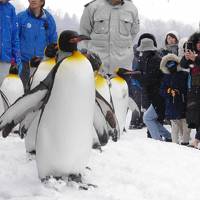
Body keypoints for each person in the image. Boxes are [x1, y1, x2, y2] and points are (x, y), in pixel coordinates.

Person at [79, 0, 140, 75]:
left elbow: (134, 32)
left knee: (122, 87)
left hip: (122, 69)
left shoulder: (132, 9)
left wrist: (120, 45)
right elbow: (84, 33)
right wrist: (94, 51)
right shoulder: (92, 7)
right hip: (97, 69)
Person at [133, 34, 171, 141]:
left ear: (145, 50)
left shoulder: (154, 60)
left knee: (148, 118)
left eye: (142, 51)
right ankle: (169, 137)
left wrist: (137, 76)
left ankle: (157, 141)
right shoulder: (152, 59)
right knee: (151, 119)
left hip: (159, 96)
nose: (141, 53)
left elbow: (149, 80)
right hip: (158, 95)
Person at [17, 0, 57, 90]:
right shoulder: (21, 17)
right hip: (23, 64)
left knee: (37, 94)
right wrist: (15, 59)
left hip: (41, 64)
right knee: (20, 92)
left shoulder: (49, 19)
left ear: (42, 2)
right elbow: (14, 40)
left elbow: (53, 42)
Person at [160, 54, 190, 145]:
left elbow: (189, 88)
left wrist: (181, 93)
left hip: (183, 104)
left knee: (185, 126)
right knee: (175, 127)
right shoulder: (166, 77)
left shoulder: (184, 75)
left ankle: (185, 143)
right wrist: (169, 91)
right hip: (172, 105)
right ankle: (175, 146)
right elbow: (162, 90)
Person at [180, 32, 200, 148]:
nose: (199, 45)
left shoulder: (196, 56)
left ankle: (197, 140)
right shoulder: (193, 54)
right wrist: (186, 57)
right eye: (197, 43)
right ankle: (197, 139)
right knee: (195, 114)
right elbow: (183, 65)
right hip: (194, 87)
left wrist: (195, 59)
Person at [0, 0, 21, 85]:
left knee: (4, 91)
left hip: (5, 59)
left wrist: (17, 59)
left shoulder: (11, 9)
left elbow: (14, 36)